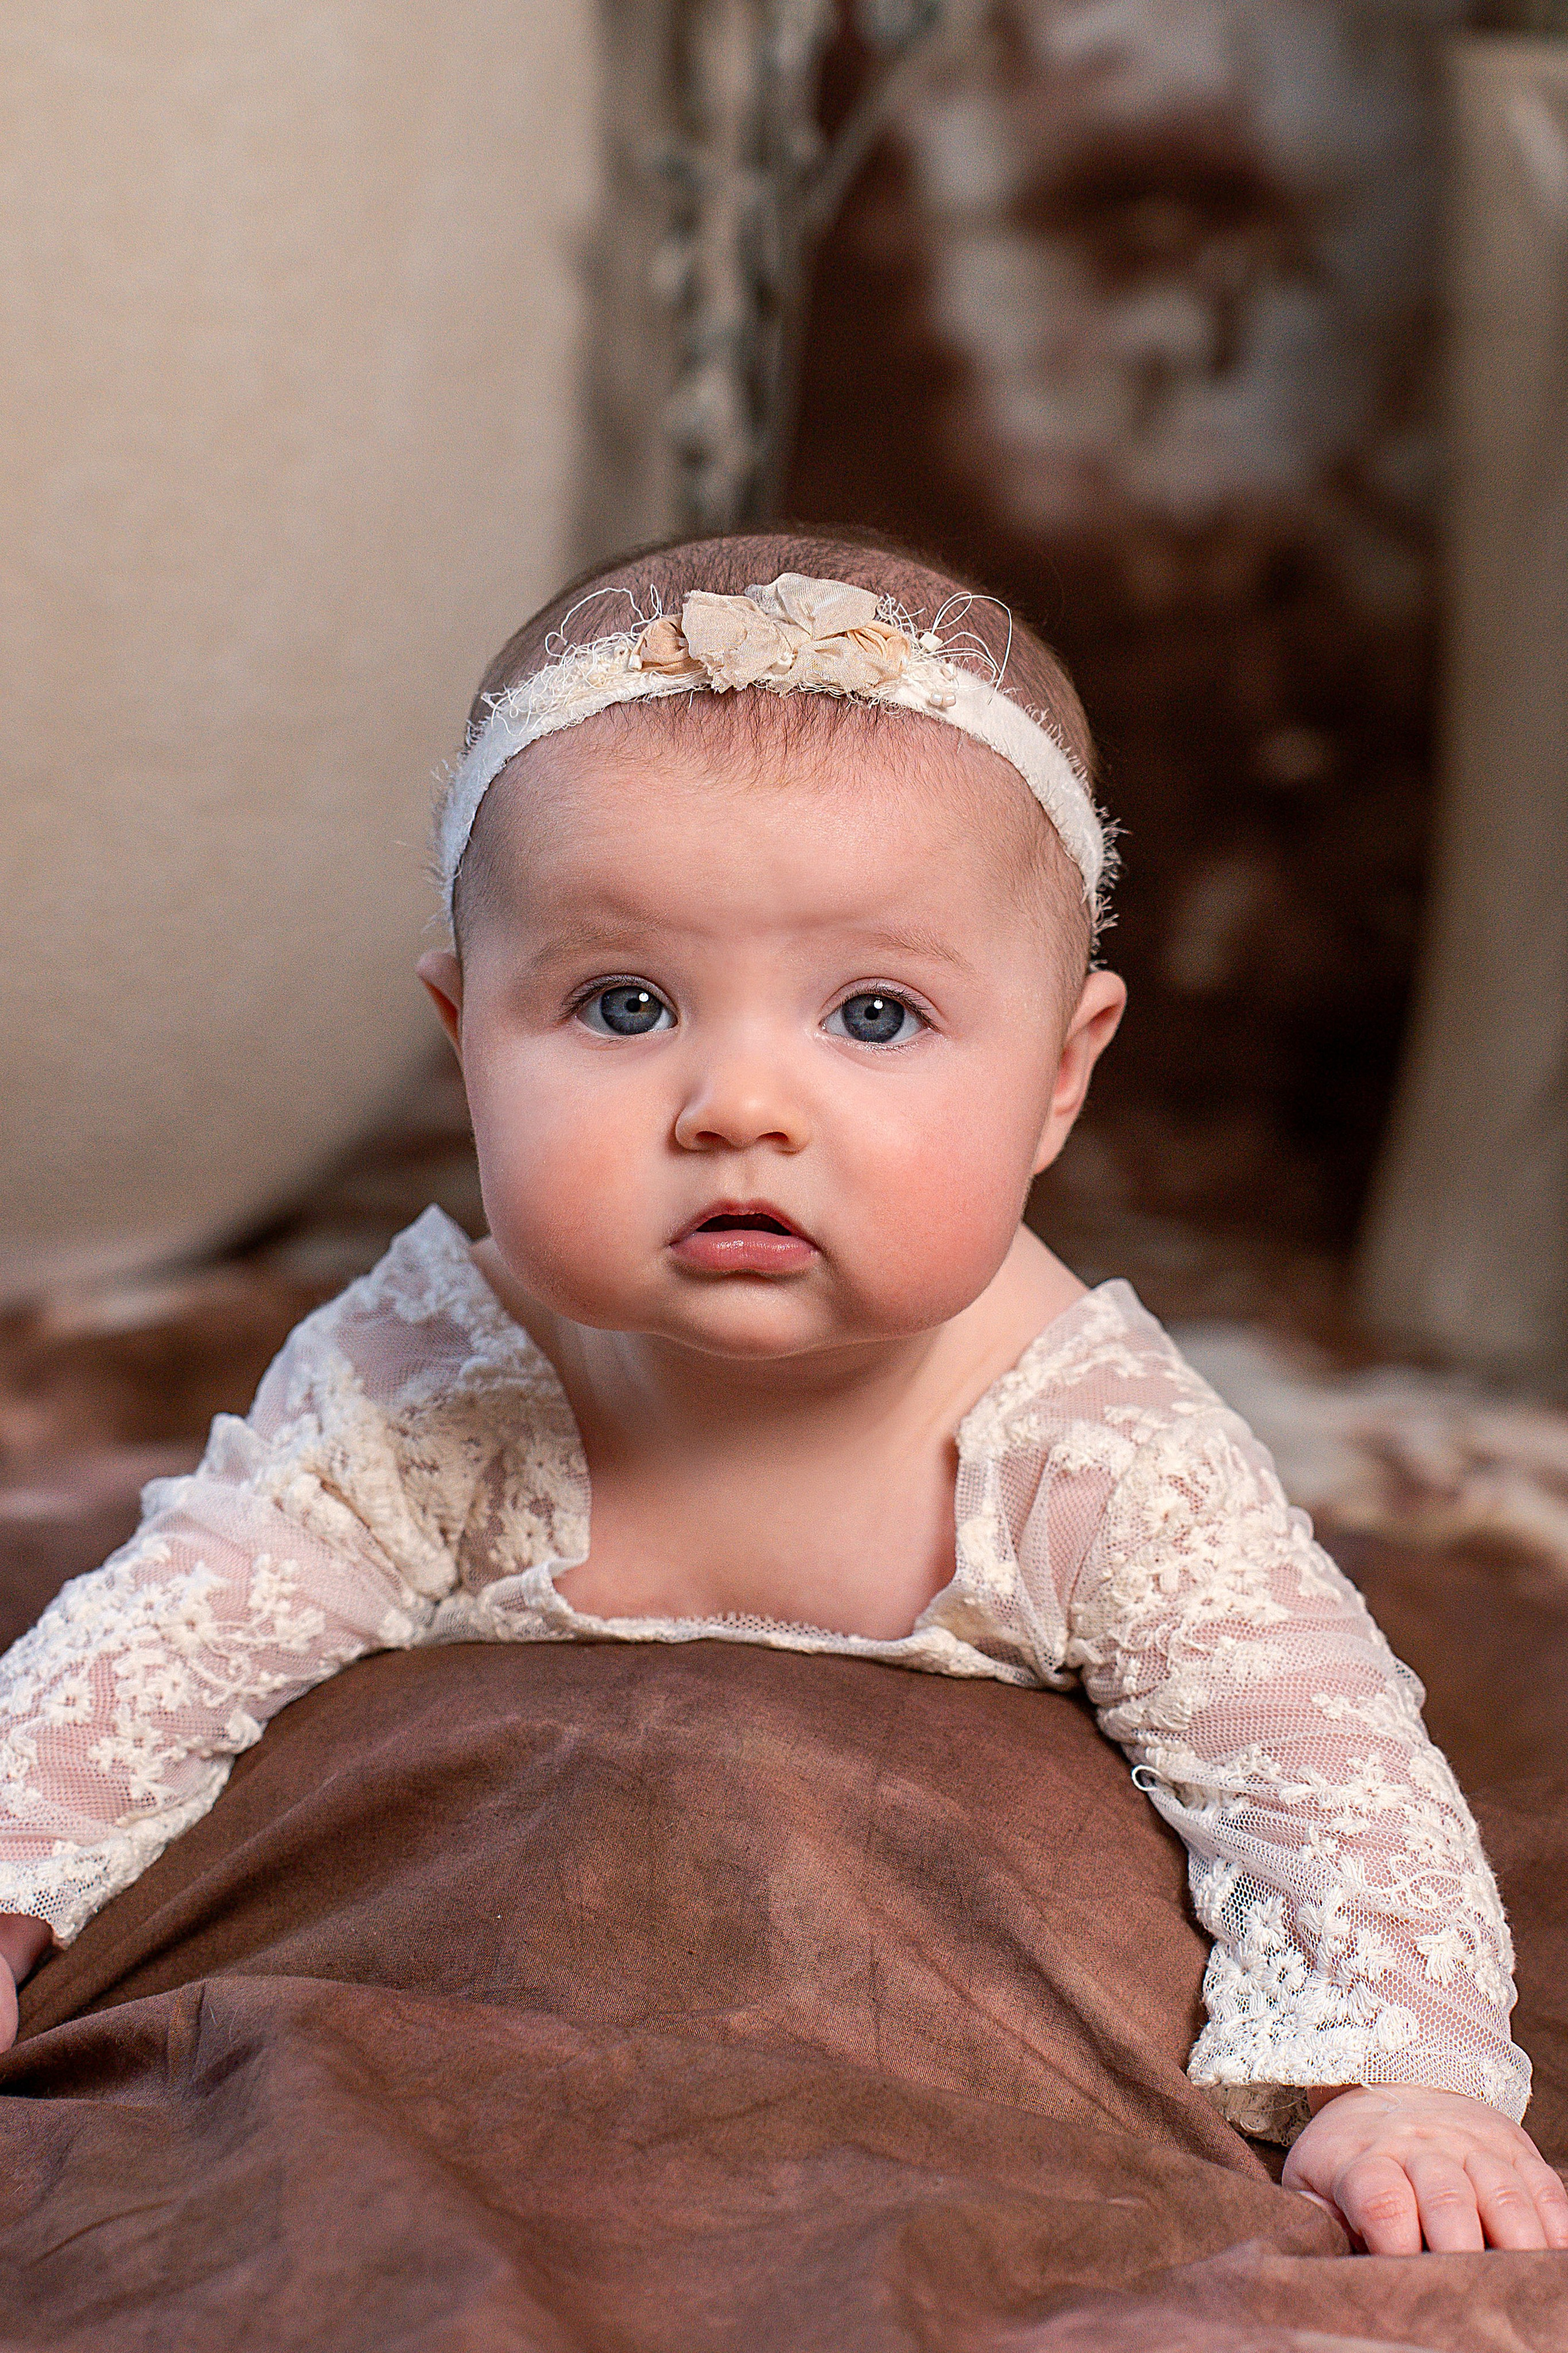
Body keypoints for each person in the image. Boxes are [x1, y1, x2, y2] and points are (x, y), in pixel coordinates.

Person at [1, 531, 1564, 2261]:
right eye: (624, 1001)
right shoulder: (432, 1373)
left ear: (1060, 1076)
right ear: (464, 1043)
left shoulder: (1088, 1443)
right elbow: (168, 1626)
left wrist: (1399, 2076)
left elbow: (1319, 1760)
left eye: (875, 1015)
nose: (740, 1102)